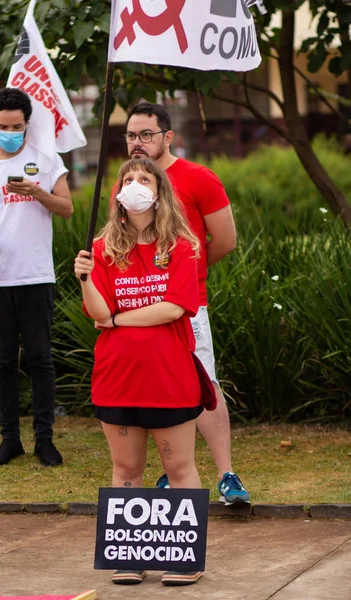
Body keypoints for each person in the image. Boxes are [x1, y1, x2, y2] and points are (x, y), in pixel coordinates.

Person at [74, 157, 204, 587]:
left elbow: (174, 308)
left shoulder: (182, 246)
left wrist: (117, 319)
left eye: (143, 178)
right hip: (117, 376)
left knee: (179, 466)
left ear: (159, 190)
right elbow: (97, 311)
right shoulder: (102, 248)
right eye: (127, 179)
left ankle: (186, 558)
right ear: (117, 194)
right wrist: (86, 281)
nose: (133, 185)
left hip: (169, 377)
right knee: (125, 468)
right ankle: (130, 554)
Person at [121, 102, 250, 505]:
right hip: (138, 308)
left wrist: (181, 274)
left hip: (187, 306)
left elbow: (225, 241)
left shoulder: (198, 178)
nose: (137, 143)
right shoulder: (126, 184)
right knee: (157, 389)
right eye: (130, 135)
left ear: (168, 137)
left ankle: (227, 475)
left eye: (146, 135)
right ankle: (175, 471)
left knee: (201, 383)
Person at [0, 88, 73, 467]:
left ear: (27, 124)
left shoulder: (45, 160)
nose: (11, 131)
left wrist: (37, 193)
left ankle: (45, 439)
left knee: (41, 360)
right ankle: (9, 439)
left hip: (35, 276)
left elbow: (67, 208)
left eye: (18, 126)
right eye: (3, 126)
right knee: (3, 362)